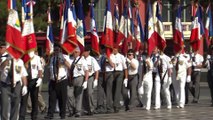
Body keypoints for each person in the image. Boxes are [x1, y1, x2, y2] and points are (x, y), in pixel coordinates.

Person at [0, 41, 28, 120]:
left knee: (16, 104)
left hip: (17, 84)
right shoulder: (3, 59)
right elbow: (1, 67)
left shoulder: (20, 61)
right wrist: (8, 60)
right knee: (4, 104)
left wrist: (25, 85)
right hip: (5, 84)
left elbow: (23, 75)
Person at [44, 44, 71, 119]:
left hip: (62, 81)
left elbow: (69, 66)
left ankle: (62, 115)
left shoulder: (65, 57)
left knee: (62, 99)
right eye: (55, 50)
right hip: (53, 81)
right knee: (52, 98)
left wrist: (63, 60)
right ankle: (50, 114)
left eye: (57, 50)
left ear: (60, 50)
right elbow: (49, 69)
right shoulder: (52, 58)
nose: (56, 51)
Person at [19, 51, 43, 120]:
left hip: (34, 80)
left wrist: (40, 78)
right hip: (25, 80)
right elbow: (20, 69)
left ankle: (34, 116)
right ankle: (21, 116)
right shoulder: (23, 57)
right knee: (24, 100)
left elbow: (40, 69)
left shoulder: (37, 58)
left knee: (34, 99)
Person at [69, 47, 89, 117]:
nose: (73, 54)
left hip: (80, 78)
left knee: (79, 96)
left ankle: (78, 111)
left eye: (75, 52)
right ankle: (72, 109)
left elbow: (86, 71)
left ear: (78, 52)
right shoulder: (71, 60)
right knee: (69, 95)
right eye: (73, 52)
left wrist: (86, 81)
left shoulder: (83, 60)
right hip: (72, 79)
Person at [82, 46, 100, 115]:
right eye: (84, 51)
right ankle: (86, 109)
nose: (84, 53)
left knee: (89, 93)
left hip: (90, 77)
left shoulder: (92, 59)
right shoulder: (81, 59)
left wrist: (96, 79)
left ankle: (92, 108)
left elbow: (97, 70)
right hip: (82, 77)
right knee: (83, 94)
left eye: (86, 51)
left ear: (89, 52)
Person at [111, 46, 128, 113]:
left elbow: (125, 68)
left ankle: (116, 106)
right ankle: (115, 103)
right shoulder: (111, 56)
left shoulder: (121, 56)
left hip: (120, 73)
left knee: (118, 90)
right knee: (113, 90)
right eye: (113, 48)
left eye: (115, 48)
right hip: (112, 73)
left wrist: (126, 78)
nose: (114, 50)